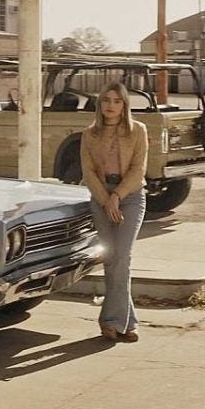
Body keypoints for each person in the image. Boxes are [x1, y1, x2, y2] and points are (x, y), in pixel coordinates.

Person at [79, 82, 147, 343]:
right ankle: (125, 323)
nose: (111, 105)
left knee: (123, 256)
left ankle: (110, 320)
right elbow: (88, 172)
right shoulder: (89, 134)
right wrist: (106, 198)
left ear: (125, 104)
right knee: (111, 259)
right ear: (100, 104)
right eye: (106, 100)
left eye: (117, 101)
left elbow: (139, 169)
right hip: (100, 196)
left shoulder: (137, 130)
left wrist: (117, 196)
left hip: (130, 196)